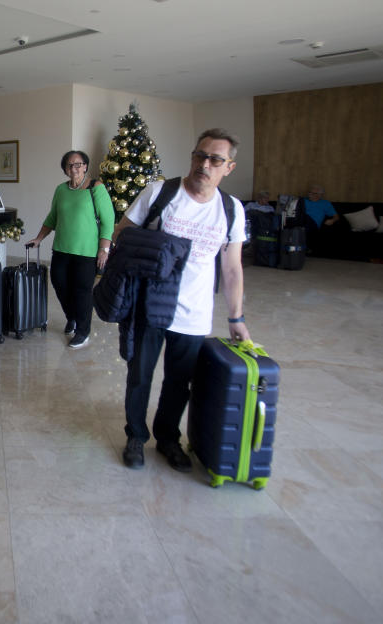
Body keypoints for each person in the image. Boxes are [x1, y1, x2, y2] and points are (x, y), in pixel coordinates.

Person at [113, 128, 251, 472]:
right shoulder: (162, 192)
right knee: (139, 376)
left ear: (228, 167)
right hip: (150, 306)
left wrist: (236, 319)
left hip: (194, 313)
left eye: (215, 159)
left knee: (179, 382)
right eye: (199, 155)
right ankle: (135, 436)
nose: (204, 164)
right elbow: (122, 232)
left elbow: (232, 269)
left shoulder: (231, 210)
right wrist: (157, 249)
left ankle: (168, 439)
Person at [26, 150, 114, 349]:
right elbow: (52, 218)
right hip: (62, 249)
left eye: (78, 164)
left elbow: (108, 222)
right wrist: (39, 238)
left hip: (87, 251)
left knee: (82, 291)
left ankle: (83, 331)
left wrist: (104, 250)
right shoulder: (61, 190)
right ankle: (72, 317)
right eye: (69, 165)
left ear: (85, 166)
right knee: (59, 283)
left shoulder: (96, 188)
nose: (74, 168)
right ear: (65, 169)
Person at [301, 184, 339, 251]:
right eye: (309, 192)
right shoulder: (302, 200)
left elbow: (336, 216)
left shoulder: (325, 203)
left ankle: (303, 247)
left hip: (313, 223)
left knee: (305, 219)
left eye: (313, 193)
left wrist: (332, 220)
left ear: (320, 195)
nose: (310, 194)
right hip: (300, 219)